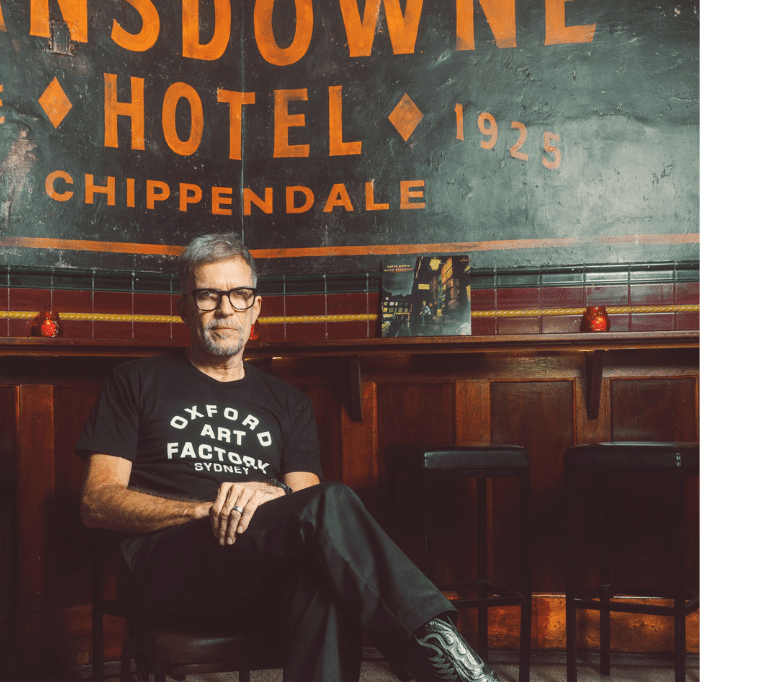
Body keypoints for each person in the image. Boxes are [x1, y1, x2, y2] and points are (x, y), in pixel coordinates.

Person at [75, 233, 501, 682]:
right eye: (208, 295)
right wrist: (203, 509)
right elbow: (95, 501)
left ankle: (452, 670)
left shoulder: (288, 402)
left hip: (258, 570)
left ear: (255, 308)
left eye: (239, 295)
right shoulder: (136, 381)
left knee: (326, 580)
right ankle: (457, 671)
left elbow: (313, 508)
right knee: (329, 524)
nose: (225, 310)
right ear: (184, 306)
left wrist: (273, 491)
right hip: (169, 571)